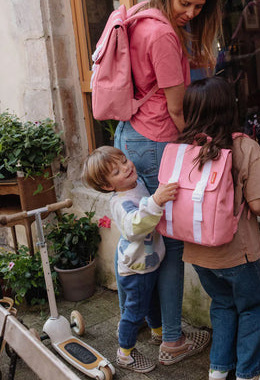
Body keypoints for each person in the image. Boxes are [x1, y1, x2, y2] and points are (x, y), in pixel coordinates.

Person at [114, 0, 221, 364]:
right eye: (185, 3)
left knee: (141, 236)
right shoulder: (163, 34)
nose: (191, 13)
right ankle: (172, 340)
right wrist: (199, 144)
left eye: (199, 6)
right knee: (171, 247)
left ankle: (146, 322)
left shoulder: (143, 16)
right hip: (157, 141)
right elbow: (177, 109)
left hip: (131, 134)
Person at [179, 77, 260, 380]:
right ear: (230, 107)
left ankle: (219, 368)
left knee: (222, 305)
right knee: (253, 306)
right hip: (237, 251)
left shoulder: (184, 148)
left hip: (197, 250)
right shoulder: (245, 146)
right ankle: (249, 371)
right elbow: (259, 205)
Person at [81, 146, 178, 373]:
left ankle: (158, 332)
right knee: (134, 312)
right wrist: (156, 201)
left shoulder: (137, 182)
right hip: (136, 269)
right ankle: (125, 353)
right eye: (116, 171)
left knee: (151, 301)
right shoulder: (121, 202)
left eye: (124, 161)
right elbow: (134, 227)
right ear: (108, 186)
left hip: (147, 262)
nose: (126, 168)